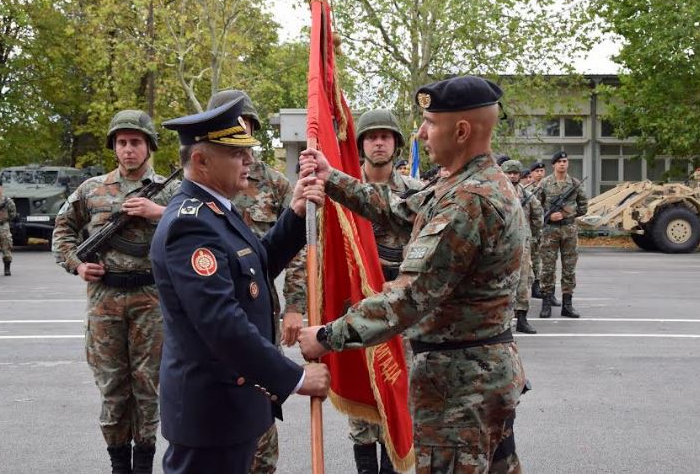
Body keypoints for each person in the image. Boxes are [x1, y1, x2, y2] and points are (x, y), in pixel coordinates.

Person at [298, 75, 527, 473]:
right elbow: (398, 210)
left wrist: (325, 337)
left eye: (429, 123)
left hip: (460, 389)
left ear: (460, 131)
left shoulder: (469, 201)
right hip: (473, 377)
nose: (420, 133)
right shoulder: (462, 185)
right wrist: (330, 176)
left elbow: (407, 300)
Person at [151, 97, 330, 474]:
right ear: (200, 161)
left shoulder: (216, 210)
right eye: (236, 152)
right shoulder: (191, 223)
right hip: (211, 413)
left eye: (247, 150)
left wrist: (295, 214)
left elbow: (254, 267)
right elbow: (221, 322)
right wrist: (295, 377)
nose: (249, 160)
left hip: (233, 406)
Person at [52, 110, 180, 474]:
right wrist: (76, 263)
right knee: (112, 386)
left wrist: (158, 212)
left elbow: (198, 229)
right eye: (122, 143)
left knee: (148, 387)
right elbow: (62, 230)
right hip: (104, 299)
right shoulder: (91, 189)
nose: (128, 150)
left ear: (149, 147)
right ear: (114, 147)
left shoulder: (171, 193)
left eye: (135, 142)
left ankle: (144, 465)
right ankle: (118, 465)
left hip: (152, 299)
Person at [206, 89, 307, 474]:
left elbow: (294, 250)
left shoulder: (275, 183)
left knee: (261, 416)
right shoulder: (194, 192)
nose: (240, 138)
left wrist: (295, 306)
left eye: (245, 127)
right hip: (214, 317)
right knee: (217, 427)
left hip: (259, 312)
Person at [348, 108, 424, 474]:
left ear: (395, 144)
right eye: (371, 137)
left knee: (396, 396)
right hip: (355, 307)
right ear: (361, 144)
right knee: (362, 400)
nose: (379, 143)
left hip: (401, 313)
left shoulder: (416, 193)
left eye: (386, 137)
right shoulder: (342, 190)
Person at [536, 151, 587, 318]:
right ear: (554, 165)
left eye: (565, 161)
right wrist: (549, 215)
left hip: (569, 230)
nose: (562, 164)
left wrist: (565, 214)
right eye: (559, 161)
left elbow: (583, 207)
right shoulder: (544, 183)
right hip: (550, 230)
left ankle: (567, 304)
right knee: (547, 268)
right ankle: (546, 303)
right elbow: (536, 207)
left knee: (569, 268)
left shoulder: (575, 183)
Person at [501, 159, 542, 334]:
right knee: (502, 283)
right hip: (501, 245)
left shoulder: (527, 196)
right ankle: (503, 323)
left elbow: (537, 218)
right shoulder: (496, 194)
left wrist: (530, 237)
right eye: (509, 173)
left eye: (515, 173)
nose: (512, 176)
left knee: (523, 281)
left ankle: (522, 319)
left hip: (523, 244)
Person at [526, 160, 546, 299]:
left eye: (542, 171)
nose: (540, 174)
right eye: (537, 171)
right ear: (531, 174)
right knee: (530, 260)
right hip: (530, 230)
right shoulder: (526, 190)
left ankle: (539, 287)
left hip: (545, 229)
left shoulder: (548, 188)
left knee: (541, 260)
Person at [0, 180, 16, 276]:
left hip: (3, 226)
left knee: (6, 247)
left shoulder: (7, 200)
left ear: (1, 188)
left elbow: (12, 213)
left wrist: (5, 220)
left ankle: (7, 268)